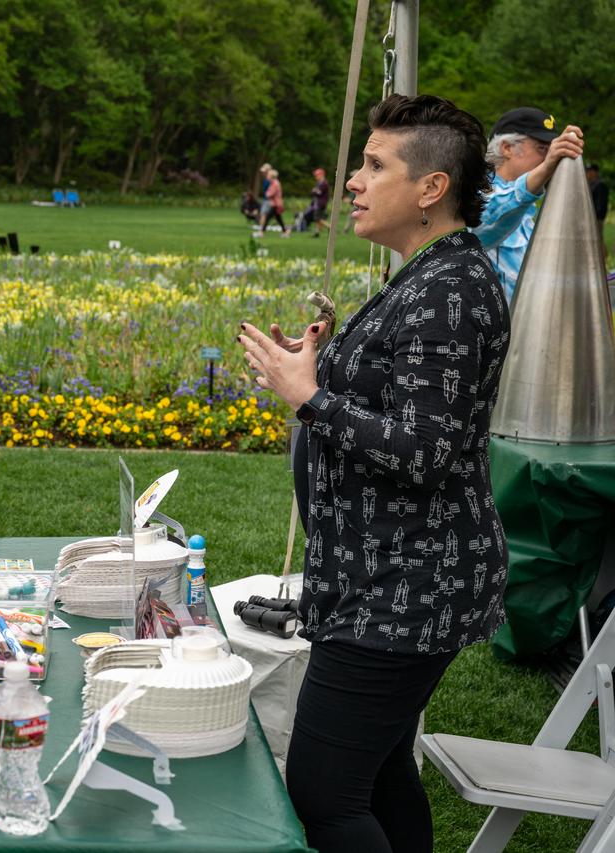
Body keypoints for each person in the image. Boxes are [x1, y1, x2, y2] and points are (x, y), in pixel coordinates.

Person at [238, 94, 510, 853]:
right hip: (376, 576)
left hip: (405, 587)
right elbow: (410, 402)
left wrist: (311, 396)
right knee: (382, 772)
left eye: (374, 165)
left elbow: (423, 451)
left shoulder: (451, 288)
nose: (354, 181)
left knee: (324, 794)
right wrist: (322, 371)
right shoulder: (426, 273)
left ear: (431, 188)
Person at [473, 107, 584, 302]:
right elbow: (484, 221)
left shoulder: (526, 206)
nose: (551, 157)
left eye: (552, 149)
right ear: (507, 147)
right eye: (542, 148)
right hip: (499, 329)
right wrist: (544, 169)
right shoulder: (474, 193)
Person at [588, 162, 608, 271]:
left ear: (595, 172)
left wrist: (595, 216)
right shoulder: (592, 184)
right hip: (594, 217)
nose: (588, 173)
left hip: (597, 218)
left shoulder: (600, 185)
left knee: (598, 239)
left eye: (590, 171)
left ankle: (603, 261)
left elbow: (600, 203)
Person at [258, 167, 289, 236]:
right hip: (275, 204)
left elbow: (269, 194)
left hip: (275, 204)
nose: (267, 177)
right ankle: (285, 231)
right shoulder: (275, 183)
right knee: (278, 219)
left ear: (272, 176)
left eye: (268, 176)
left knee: (268, 218)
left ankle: (261, 232)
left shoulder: (275, 184)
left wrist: (267, 193)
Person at [307, 167, 331, 236]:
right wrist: (314, 191)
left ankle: (330, 227)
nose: (316, 177)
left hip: (320, 203)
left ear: (321, 175)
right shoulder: (320, 183)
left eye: (317, 175)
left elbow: (318, 193)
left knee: (317, 218)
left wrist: (314, 190)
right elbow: (314, 192)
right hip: (319, 203)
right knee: (318, 219)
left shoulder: (323, 183)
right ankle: (316, 232)